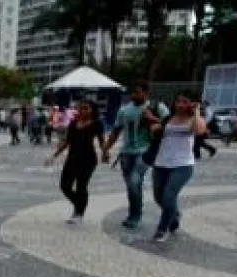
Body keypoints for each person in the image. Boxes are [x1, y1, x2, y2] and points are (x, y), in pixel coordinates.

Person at [104, 81, 169, 229]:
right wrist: (106, 149)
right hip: (126, 153)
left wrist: (154, 119)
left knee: (134, 181)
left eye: (138, 92)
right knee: (132, 186)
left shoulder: (157, 106)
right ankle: (135, 213)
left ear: (146, 93)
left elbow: (170, 125)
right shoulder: (124, 111)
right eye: (132, 92)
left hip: (145, 151)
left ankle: (136, 215)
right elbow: (115, 132)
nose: (134, 95)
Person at [150, 91, 208, 242]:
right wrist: (155, 128)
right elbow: (156, 132)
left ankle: (162, 229)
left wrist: (196, 111)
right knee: (159, 197)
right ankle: (174, 215)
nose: (181, 104)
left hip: (183, 164)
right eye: (178, 101)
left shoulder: (195, 119)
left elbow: (198, 131)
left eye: (185, 101)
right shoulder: (168, 119)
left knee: (169, 195)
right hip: (161, 162)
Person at [46, 100, 109, 223]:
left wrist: (105, 152)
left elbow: (101, 141)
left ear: (92, 110)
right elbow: (67, 141)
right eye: (81, 108)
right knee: (65, 186)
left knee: (81, 186)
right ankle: (79, 205)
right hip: (72, 158)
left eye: (86, 108)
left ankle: (79, 213)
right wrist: (53, 156)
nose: (83, 111)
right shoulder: (73, 123)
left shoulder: (97, 123)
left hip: (88, 159)